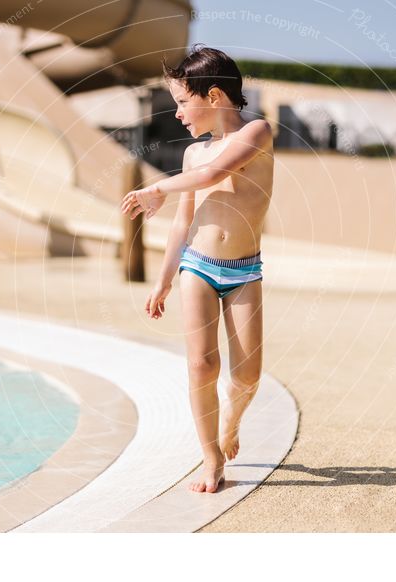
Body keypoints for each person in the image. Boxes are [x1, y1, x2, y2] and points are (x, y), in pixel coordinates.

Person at [121, 45, 273, 494]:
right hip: (198, 268)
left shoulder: (257, 133)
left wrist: (158, 188)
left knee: (247, 375)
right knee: (202, 365)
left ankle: (232, 418)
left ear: (214, 96)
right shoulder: (191, 155)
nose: (179, 114)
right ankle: (210, 459)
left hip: (245, 271)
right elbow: (183, 223)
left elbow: (214, 176)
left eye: (184, 102)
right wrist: (165, 279)